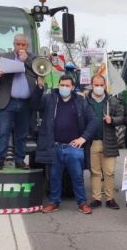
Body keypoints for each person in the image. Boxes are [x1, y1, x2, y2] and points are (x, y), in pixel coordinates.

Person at [36, 75, 97, 214]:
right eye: (62, 85)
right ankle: (54, 202)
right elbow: (34, 105)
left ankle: (82, 203)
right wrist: (39, 86)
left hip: (74, 148)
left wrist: (83, 138)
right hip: (54, 146)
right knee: (54, 177)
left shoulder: (81, 101)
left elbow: (93, 120)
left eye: (67, 85)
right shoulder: (49, 98)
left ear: (73, 88)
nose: (64, 88)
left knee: (77, 176)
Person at [0, 34, 45, 169]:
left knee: (22, 133)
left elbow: (40, 72)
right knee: (3, 131)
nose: (20, 47)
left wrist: (26, 61)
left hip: (26, 103)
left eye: (23, 45)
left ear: (27, 46)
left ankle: (19, 159)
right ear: (14, 45)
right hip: (8, 101)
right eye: (18, 44)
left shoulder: (34, 58)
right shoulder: (4, 57)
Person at [85, 74, 125, 209]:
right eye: (96, 85)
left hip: (109, 141)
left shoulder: (112, 101)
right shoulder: (85, 101)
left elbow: (122, 117)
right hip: (92, 143)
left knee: (109, 172)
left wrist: (112, 120)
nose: (98, 87)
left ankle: (110, 199)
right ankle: (96, 198)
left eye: (101, 85)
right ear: (91, 85)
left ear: (105, 85)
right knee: (95, 172)